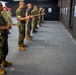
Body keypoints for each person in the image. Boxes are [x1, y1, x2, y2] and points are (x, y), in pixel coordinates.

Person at [0, 2, 12, 74]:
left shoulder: (1, 15)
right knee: (0, 52)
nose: (2, 7)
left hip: (3, 35)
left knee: (5, 50)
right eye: (1, 6)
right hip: (0, 36)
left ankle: (3, 61)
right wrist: (6, 27)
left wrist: (7, 26)